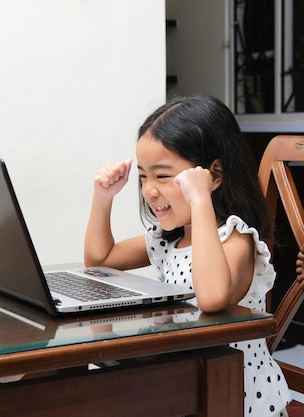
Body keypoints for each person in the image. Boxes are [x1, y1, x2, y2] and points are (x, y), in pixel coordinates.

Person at [84, 95, 291, 416]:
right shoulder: (170, 239)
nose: (148, 190)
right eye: (143, 176)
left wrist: (200, 201)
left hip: (238, 395)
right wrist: (103, 198)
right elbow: (100, 261)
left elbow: (211, 298)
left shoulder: (236, 239)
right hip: (188, 386)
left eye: (163, 176)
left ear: (213, 176)